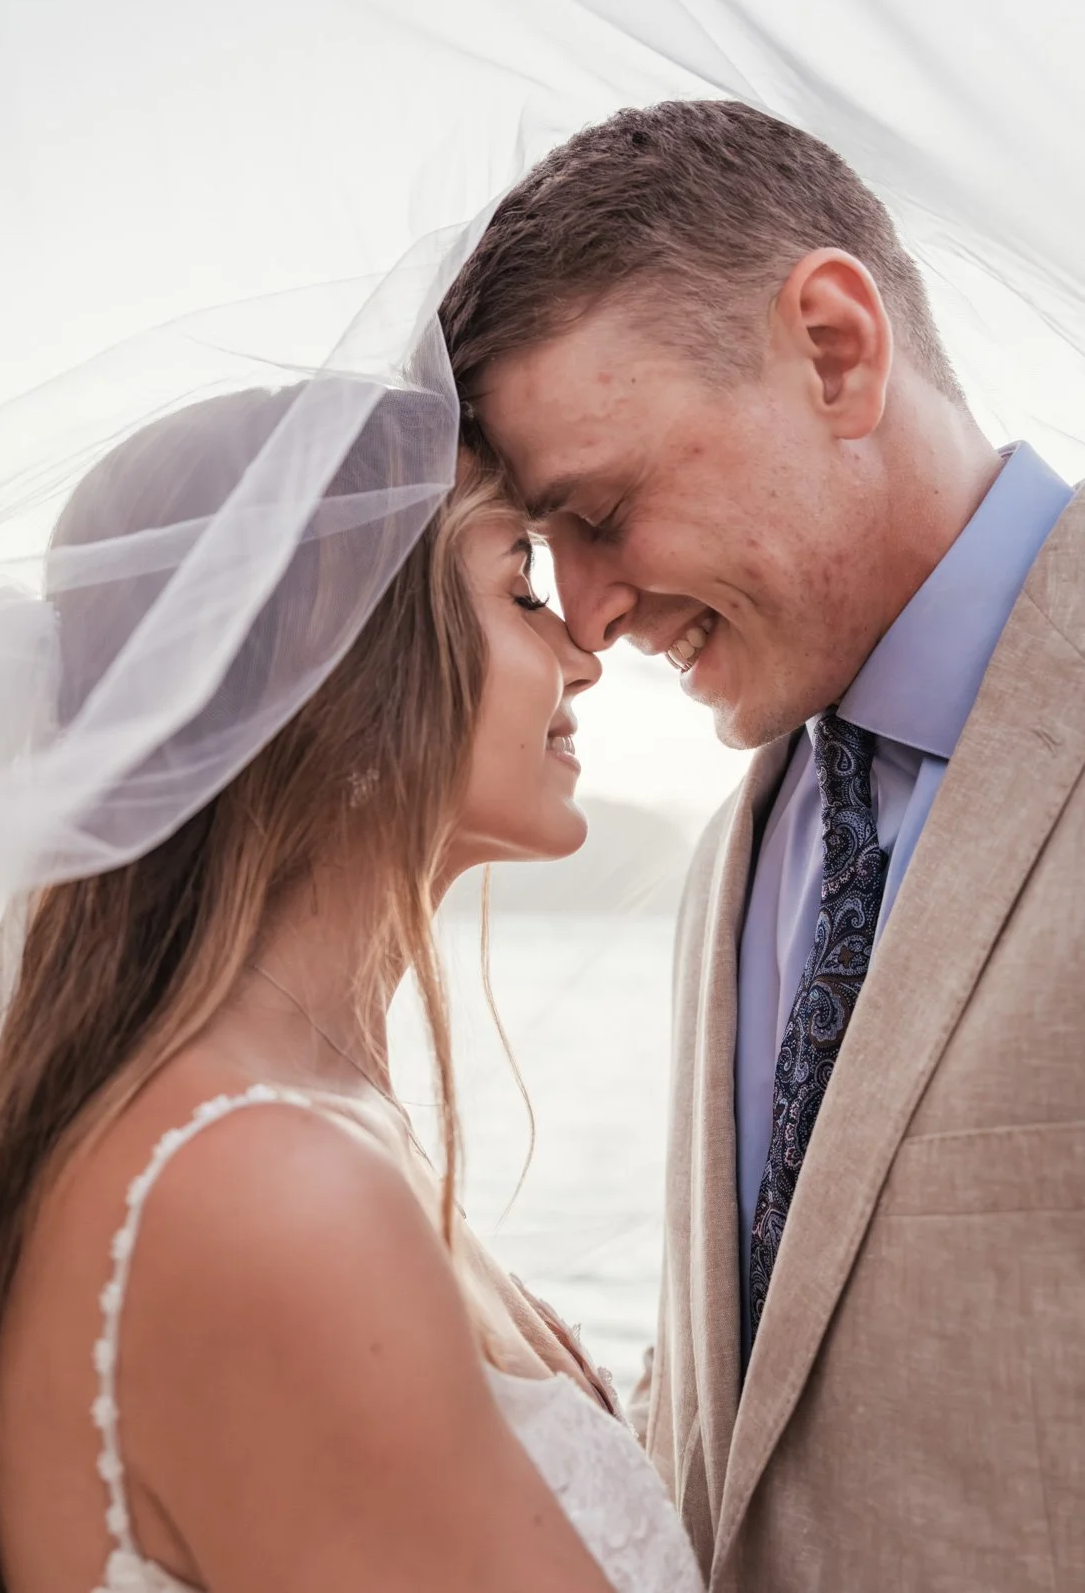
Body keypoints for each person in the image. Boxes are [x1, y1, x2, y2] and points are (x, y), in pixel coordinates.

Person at [0, 383, 703, 1593]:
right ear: (342, 686)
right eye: (519, 589)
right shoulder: (261, 1189)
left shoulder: (290, 1127)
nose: (583, 652)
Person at [441, 98, 1085, 1592]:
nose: (588, 615)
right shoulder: (747, 848)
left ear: (836, 351)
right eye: (547, 557)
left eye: (603, 511)